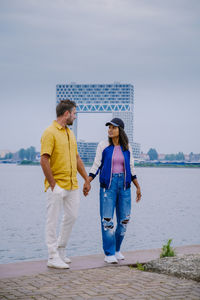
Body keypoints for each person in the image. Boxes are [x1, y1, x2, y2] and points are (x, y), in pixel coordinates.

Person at [40, 99, 91, 269]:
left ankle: (61, 249)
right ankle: (52, 256)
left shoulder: (70, 133)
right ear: (67, 113)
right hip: (57, 185)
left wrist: (86, 179)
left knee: (72, 216)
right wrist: (53, 184)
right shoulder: (50, 132)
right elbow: (44, 159)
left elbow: (76, 158)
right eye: (74, 113)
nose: (75, 117)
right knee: (52, 220)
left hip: (72, 185)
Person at [88, 118, 141, 264]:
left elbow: (131, 168)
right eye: (109, 127)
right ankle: (109, 252)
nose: (110, 130)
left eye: (114, 127)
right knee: (107, 220)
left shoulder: (127, 147)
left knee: (124, 220)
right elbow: (96, 165)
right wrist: (88, 181)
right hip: (108, 187)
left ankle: (117, 249)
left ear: (120, 130)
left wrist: (138, 186)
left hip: (124, 186)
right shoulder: (103, 145)